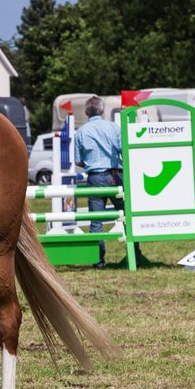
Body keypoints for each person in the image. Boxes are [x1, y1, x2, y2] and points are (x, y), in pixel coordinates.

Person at [73, 96, 128, 269]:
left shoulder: (81, 131)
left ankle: (99, 261)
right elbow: (123, 151)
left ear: (86, 112)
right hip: (115, 176)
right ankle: (134, 253)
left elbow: (77, 161)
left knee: (96, 222)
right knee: (128, 216)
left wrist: (91, 163)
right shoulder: (114, 127)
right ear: (102, 110)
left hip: (95, 178)